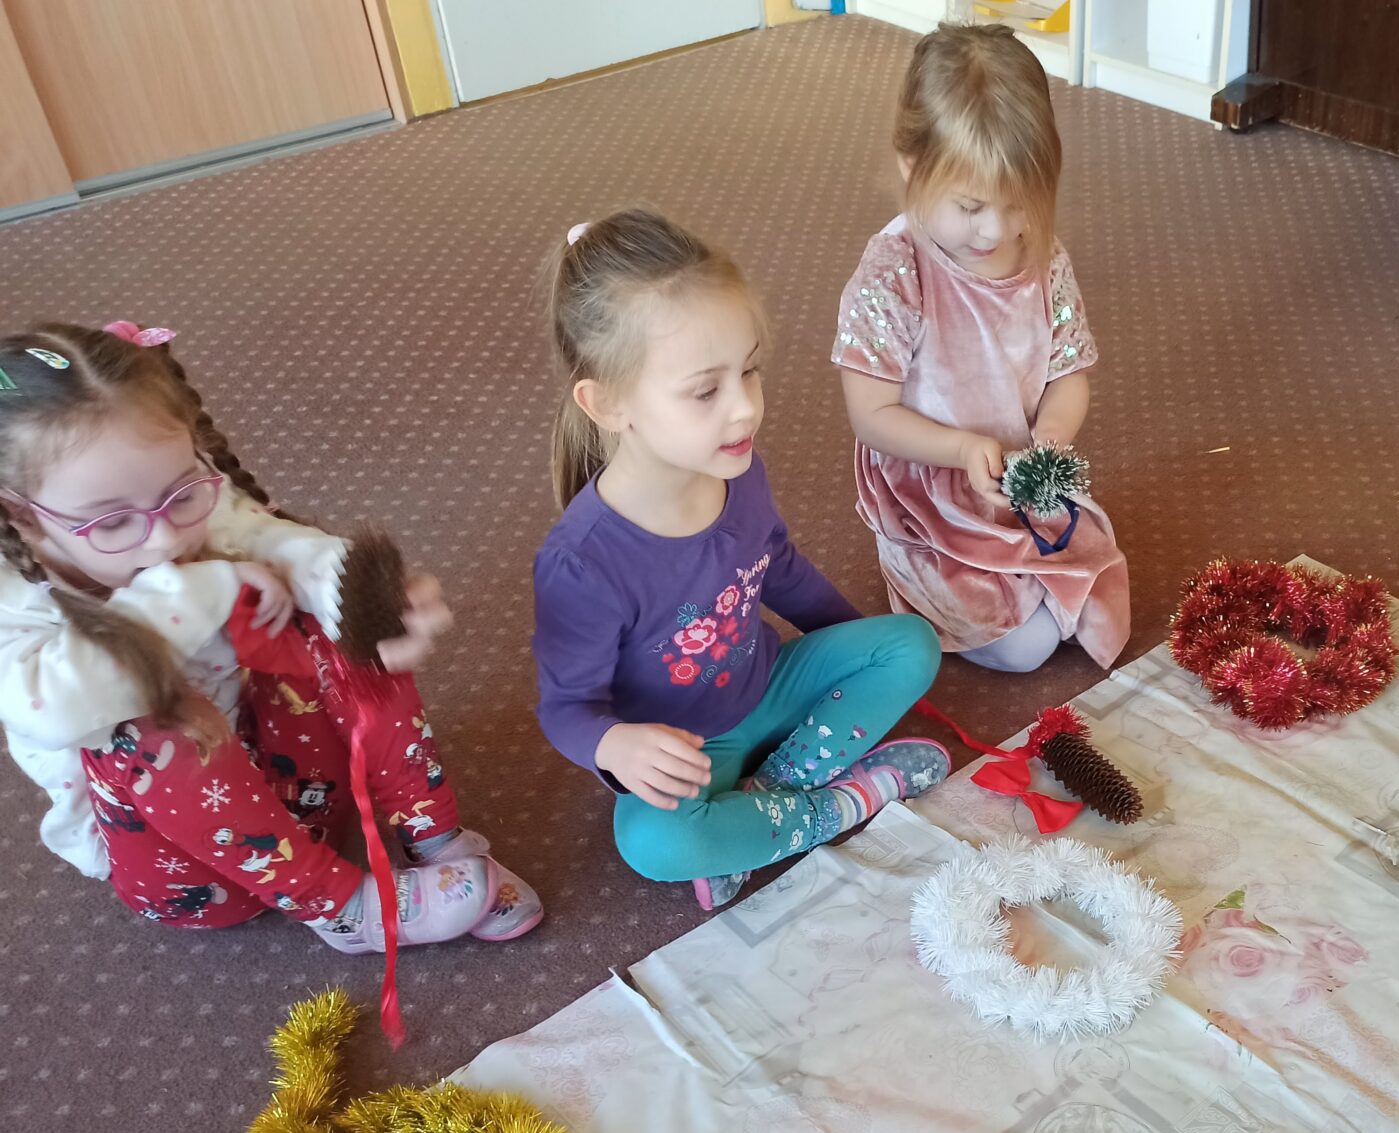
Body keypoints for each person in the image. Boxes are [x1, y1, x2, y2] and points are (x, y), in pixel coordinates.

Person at [0, 321, 540, 947]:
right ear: (22, 517)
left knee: (325, 615)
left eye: (183, 493)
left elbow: (283, 547)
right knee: (137, 713)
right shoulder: (15, 602)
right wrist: (201, 586)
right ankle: (345, 909)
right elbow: (53, 708)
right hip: (193, 873)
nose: (166, 539)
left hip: (305, 796)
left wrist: (368, 601)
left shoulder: (181, 498)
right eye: (113, 523)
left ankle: (436, 838)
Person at [532, 210, 946, 912]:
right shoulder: (581, 564)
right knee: (652, 843)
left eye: (749, 371)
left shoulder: (737, 468)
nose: (745, 409)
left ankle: (766, 799)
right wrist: (615, 746)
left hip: (770, 687)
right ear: (608, 404)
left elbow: (778, 568)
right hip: (690, 751)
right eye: (706, 390)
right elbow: (566, 708)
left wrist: (853, 649)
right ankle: (838, 805)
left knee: (911, 644)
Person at [833, 22, 1129, 675]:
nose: (995, 230)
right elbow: (871, 416)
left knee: (1089, 604)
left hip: (1014, 475)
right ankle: (913, 571)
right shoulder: (895, 272)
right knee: (1027, 647)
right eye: (969, 207)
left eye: (1017, 204)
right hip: (931, 491)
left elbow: (1068, 374)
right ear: (912, 168)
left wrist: (1049, 437)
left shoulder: (1043, 255)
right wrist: (962, 450)